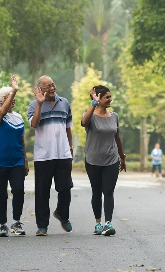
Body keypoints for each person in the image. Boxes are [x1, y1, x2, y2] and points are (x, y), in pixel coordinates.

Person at [27, 75, 74, 236]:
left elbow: (68, 127)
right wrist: (40, 104)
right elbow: (34, 124)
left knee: (65, 188)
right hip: (43, 156)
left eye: (53, 85)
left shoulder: (64, 103)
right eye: (48, 86)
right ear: (40, 89)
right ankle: (42, 226)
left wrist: (70, 146)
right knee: (42, 192)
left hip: (63, 154)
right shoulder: (33, 105)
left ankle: (62, 214)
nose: (52, 88)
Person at [81, 85, 126, 236]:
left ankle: (108, 223)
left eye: (110, 96)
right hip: (93, 159)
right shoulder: (90, 115)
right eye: (107, 97)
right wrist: (93, 105)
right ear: (98, 98)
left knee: (108, 191)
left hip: (111, 159)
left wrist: (122, 156)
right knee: (96, 192)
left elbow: (117, 137)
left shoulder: (114, 116)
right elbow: (83, 122)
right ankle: (98, 223)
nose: (110, 99)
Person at [0, 75, 29, 237]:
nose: (13, 100)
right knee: (1, 194)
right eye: (9, 97)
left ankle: (16, 222)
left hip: (16, 160)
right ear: (1, 100)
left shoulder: (18, 117)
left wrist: (25, 159)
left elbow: (22, 140)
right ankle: (3, 224)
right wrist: (14, 90)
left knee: (18, 190)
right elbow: (2, 113)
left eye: (13, 97)